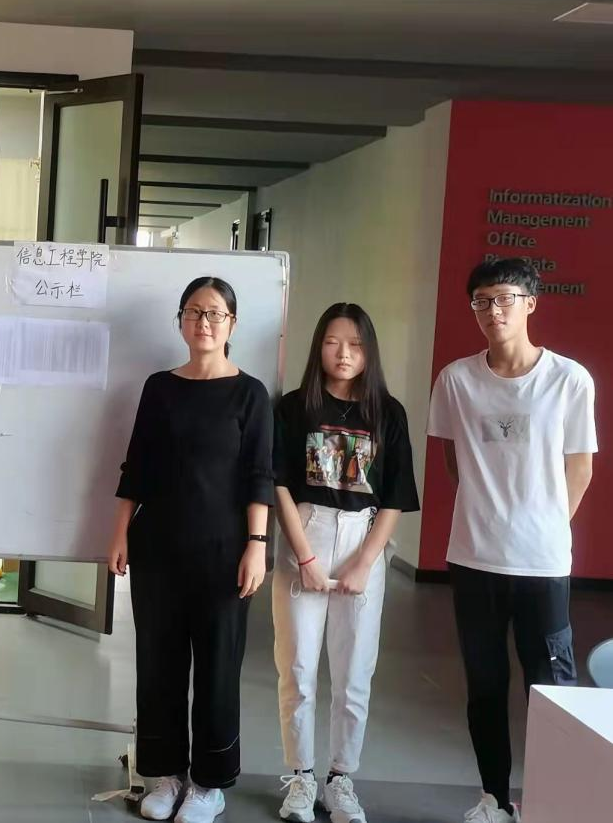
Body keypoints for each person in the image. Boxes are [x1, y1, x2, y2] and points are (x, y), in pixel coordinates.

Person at [428, 258, 596, 823]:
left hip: (542, 563)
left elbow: (580, 468)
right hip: (473, 557)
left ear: (530, 302)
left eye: (504, 298)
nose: (492, 310)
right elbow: (455, 460)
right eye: (481, 301)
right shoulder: (456, 380)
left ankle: (555, 804)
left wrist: (545, 526)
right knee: (484, 685)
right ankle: (494, 800)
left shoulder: (569, 380)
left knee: (550, 688)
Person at [108, 276, 273, 823]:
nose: (204, 322)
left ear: (232, 324)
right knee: (159, 664)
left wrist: (257, 544)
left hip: (226, 552)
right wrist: (119, 532)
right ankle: (163, 774)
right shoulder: (160, 387)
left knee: (219, 668)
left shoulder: (250, 394)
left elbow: (259, 475)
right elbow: (137, 465)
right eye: (194, 311)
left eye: (215, 313)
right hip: (158, 549)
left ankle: (209, 784)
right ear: (180, 320)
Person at [271, 303, 419, 823]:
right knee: (297, 667)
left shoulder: (388, 413)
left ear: (368, 351)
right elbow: (279, 485)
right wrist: (305, 557)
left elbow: (396, 496)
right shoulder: (294, 408)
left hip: (363, 539)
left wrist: (363, 564)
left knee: (355, 671)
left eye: (355, 344)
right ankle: (301, 776)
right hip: (305, 534)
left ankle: (340, 778)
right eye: (333, 342)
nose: (343, 353)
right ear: (319, 346)